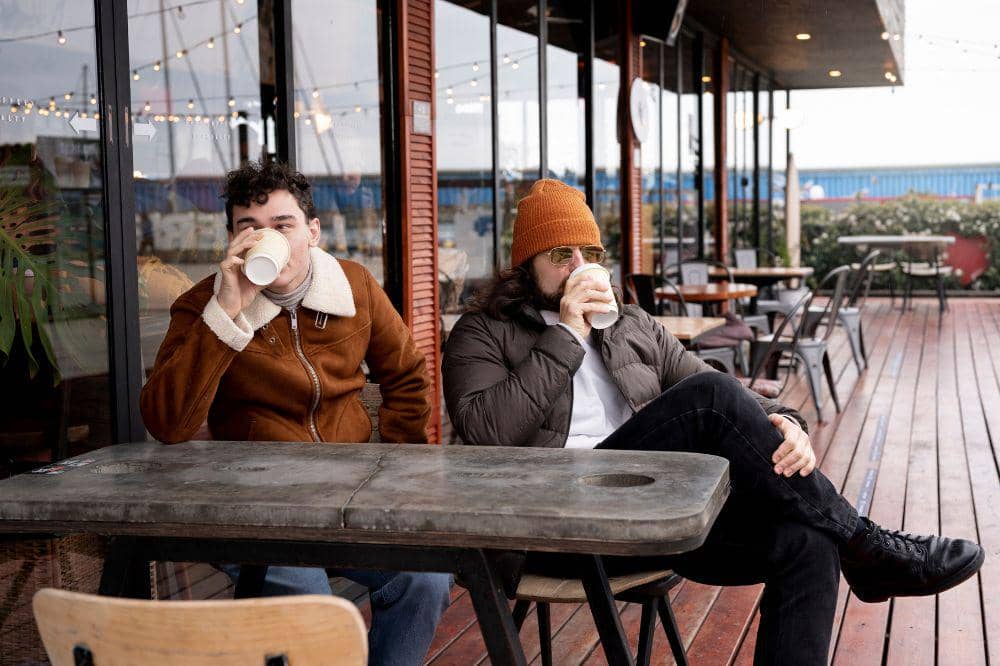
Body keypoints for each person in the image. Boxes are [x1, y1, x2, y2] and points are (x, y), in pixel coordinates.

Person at [442, 178, 985, 665]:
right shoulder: (481, 331)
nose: (580, 266)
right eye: (562, 254)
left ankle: (853, 545)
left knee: (807, 540)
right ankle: (868, 546)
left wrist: (785, 421)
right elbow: (485, 432)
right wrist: (566, 333)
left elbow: (723, 392)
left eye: (591, 252)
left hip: (652, 517)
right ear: (525, 264)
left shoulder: (632, 324)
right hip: (550, 528)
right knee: (706, 397)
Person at [140, 160, 450, 666]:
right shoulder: (202, 306)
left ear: (312, 231)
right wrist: (226, 314)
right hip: (249, 511)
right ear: (232, 240)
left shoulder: (354, 286)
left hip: (346, 502)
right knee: (315, 609)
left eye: (282, 225)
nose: (268, 238)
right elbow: (165, 421)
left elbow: (409, 375)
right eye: (250, 228)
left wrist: (396, 467)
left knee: (426, 578)